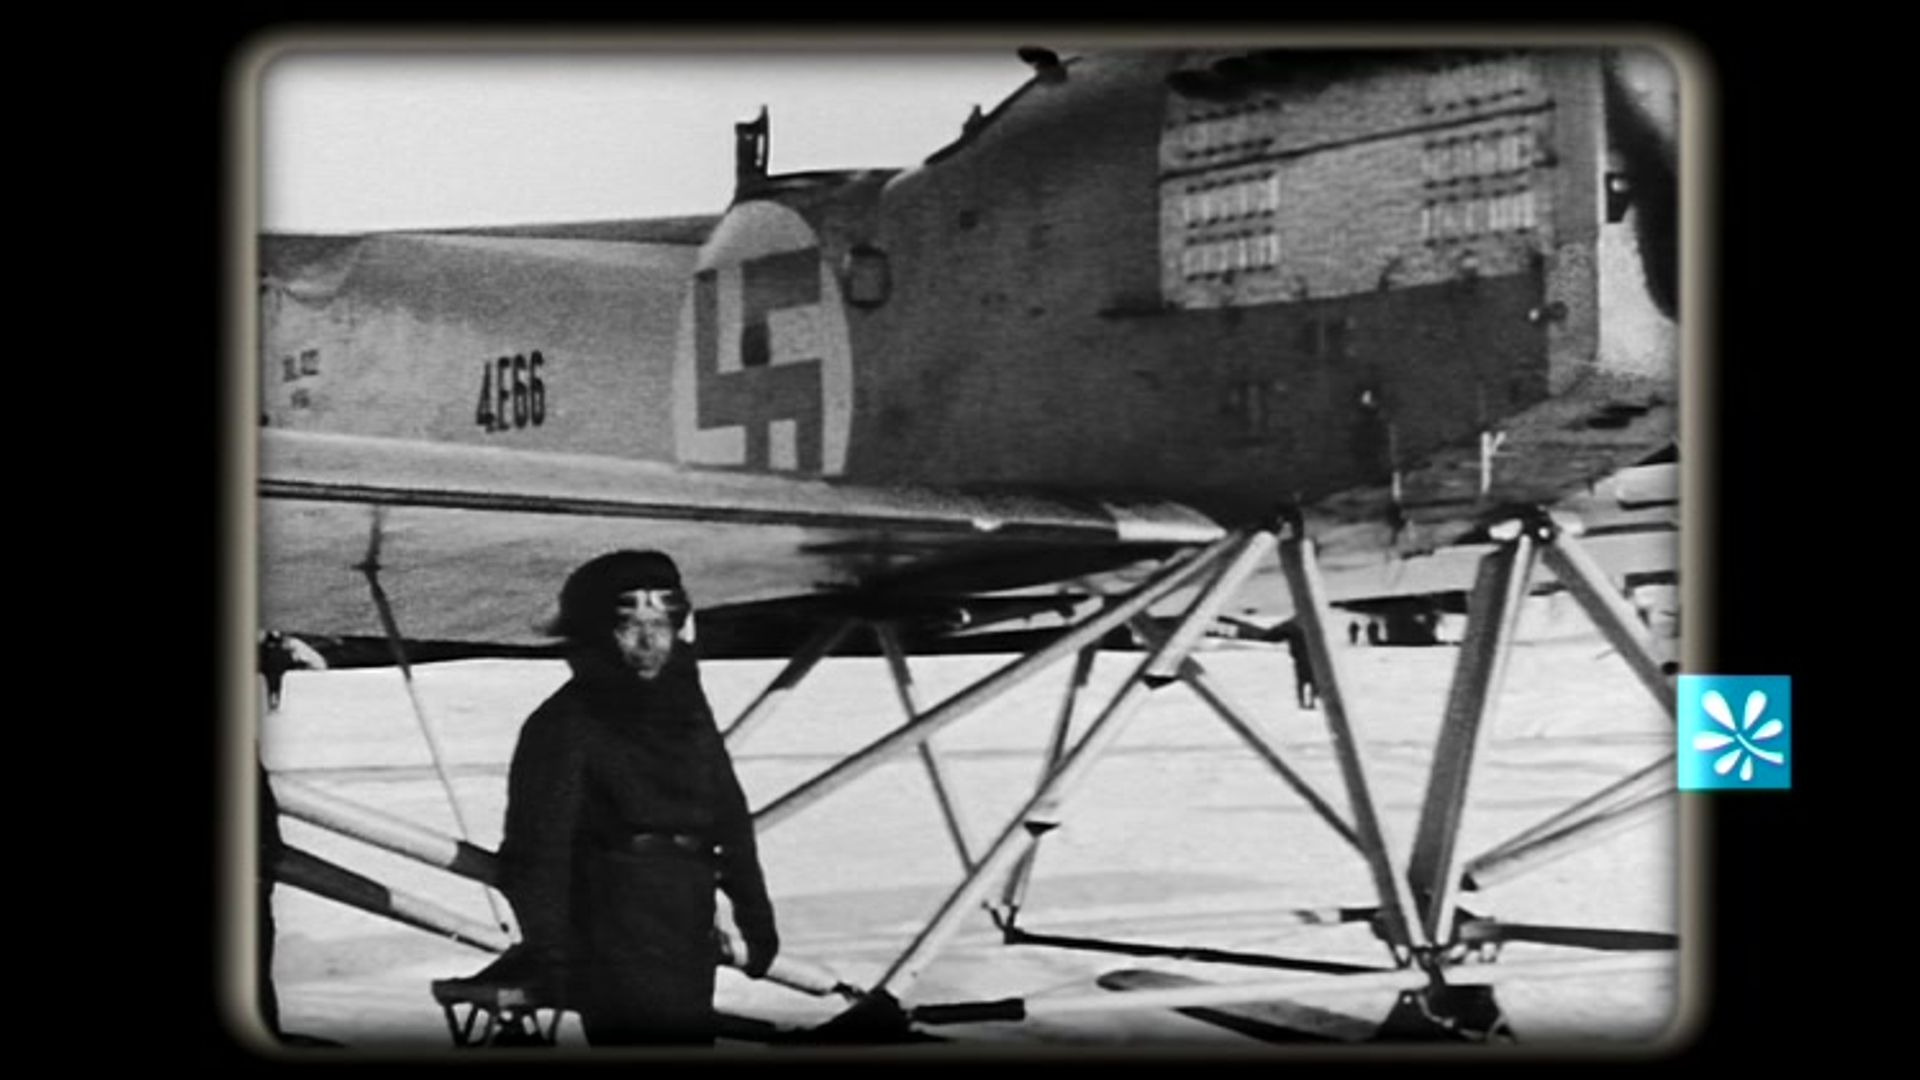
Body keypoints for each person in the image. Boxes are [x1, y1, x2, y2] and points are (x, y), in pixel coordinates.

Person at [495, 550, 779, 1046]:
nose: (649, 639)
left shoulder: (684, 708)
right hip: (614, 932)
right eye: (629, 625)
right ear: (594, 631)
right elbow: (537, 853)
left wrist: (756, 919)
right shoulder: (564, 723)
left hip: (686, 921)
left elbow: (729, 816)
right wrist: (554, 956)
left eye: (661, 622)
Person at [1283, 623, 1318, 711]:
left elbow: (1292, 651)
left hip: (1301, 662)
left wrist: (1296, 656)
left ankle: (1302, 702)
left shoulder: (1295, 637)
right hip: (1311, 662)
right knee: (1311, 682)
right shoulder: (1312, 636)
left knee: (1301, 683)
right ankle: (1312, 702)